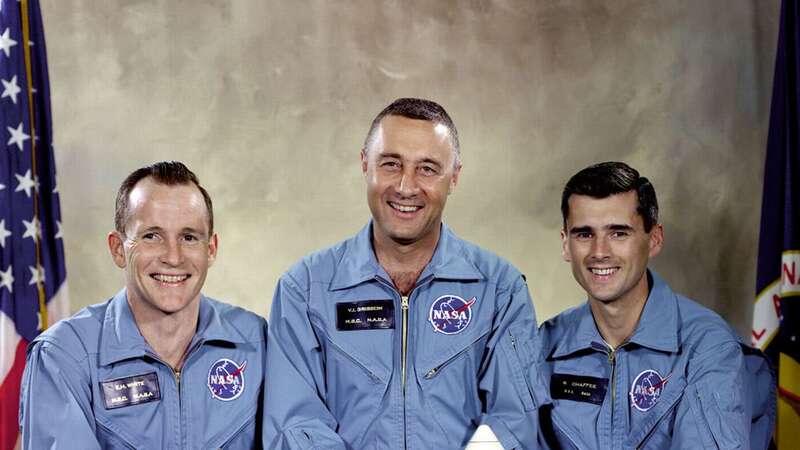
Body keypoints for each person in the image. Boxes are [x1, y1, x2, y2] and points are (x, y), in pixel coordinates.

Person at [264, 98, 546, 449]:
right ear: (365, 164)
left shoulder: (500, 290)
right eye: (391, 164)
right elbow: (296, 423)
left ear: (454, 176)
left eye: (427, 168)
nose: (406, 187)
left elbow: (513, 419)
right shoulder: (305, 290)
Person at [19, 161, 267, 449]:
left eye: (189, 237)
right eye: (152, 236)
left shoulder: (256, 344)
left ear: (210, 250)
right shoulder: (64, 356)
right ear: (118, 249)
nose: (173, 257)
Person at [537, 161, 776, 449]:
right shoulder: (545, 348)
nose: (600, 252)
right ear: (566, 245)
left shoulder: (707, 349)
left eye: (618, 233)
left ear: (655, 240)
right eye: (584, 234)